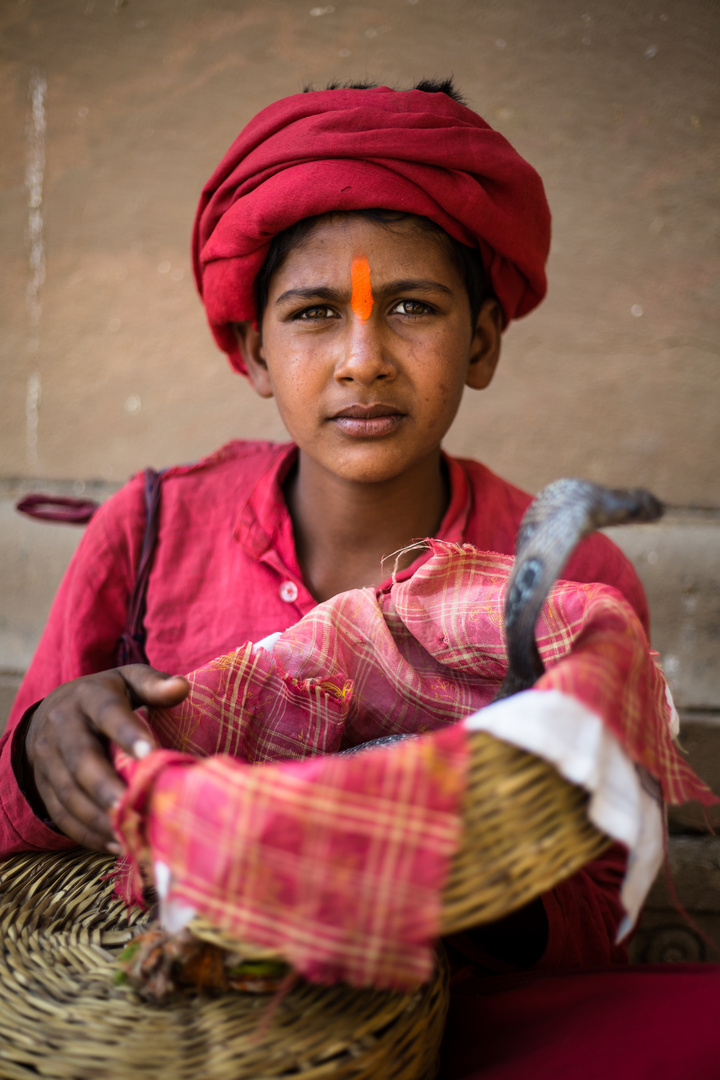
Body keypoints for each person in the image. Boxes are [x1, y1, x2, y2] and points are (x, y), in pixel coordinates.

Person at [3, 79, 718, 1078]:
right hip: (187, 1031)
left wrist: (447, 860)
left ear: (481, 341)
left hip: (452, 1025)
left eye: (412, 308)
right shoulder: (151, 528)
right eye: (315, 313)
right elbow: (15, 815)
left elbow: (599, 918)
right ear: (254, 349)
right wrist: (46, 748)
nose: (362, 359)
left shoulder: (570, 585)